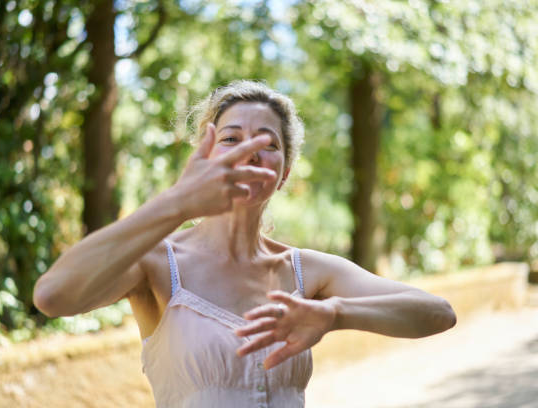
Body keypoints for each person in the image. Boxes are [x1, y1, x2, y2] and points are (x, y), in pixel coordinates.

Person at [33, 80, 456, 407]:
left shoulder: (307, 271)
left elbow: (438, 313)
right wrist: (176, 203)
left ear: (285, 172)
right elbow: (53, 296)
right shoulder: (158, 264)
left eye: (268, 145)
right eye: (231, 139)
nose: (248, 153)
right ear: (205, 156)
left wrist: (334, 313)